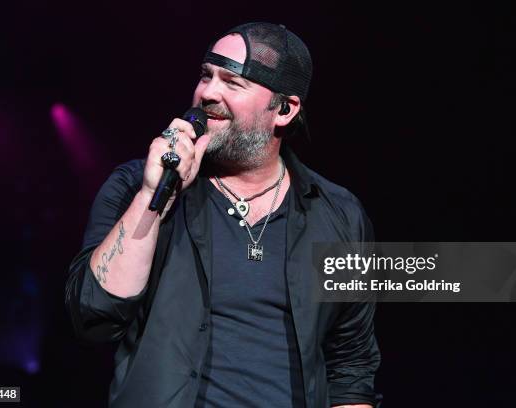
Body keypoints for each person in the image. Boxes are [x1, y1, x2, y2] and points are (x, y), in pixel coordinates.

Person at [65, 22, 381, 408]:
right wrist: (154, 195)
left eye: (232, 82)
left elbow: (350, 366)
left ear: (284, 109)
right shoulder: (137, 185)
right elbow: (94, 316)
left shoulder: (338, 215)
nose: (207, 93)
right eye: (205, 76)